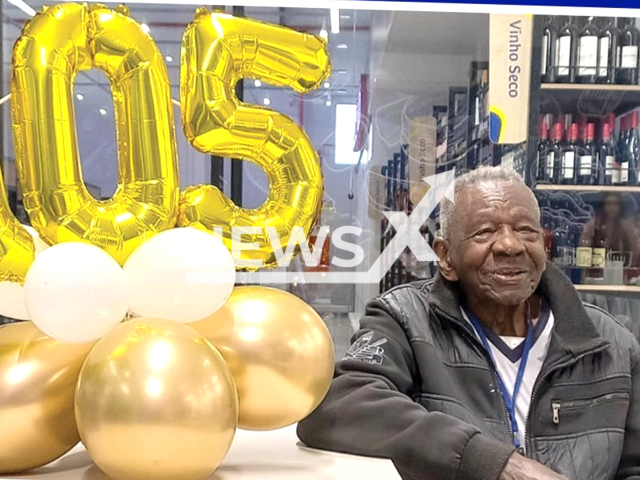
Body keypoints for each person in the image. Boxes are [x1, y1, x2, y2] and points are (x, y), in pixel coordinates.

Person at [298, 166, 640, 480]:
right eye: (484, 232)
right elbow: (336, 407)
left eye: (526, 231)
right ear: (446, 257)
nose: (510, 245)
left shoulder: (611, 344)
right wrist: (494, 462)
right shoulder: (406, 320)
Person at [580, 192, 640, 267]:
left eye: (615, 204)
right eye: (608, 204)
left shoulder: (627, 227)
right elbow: (583, 246)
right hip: (596, 271)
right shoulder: (593, 225)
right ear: (603, 206)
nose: (611, 208)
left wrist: (629, 265)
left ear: (620, 206)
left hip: (620, 269)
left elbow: (635, 249)